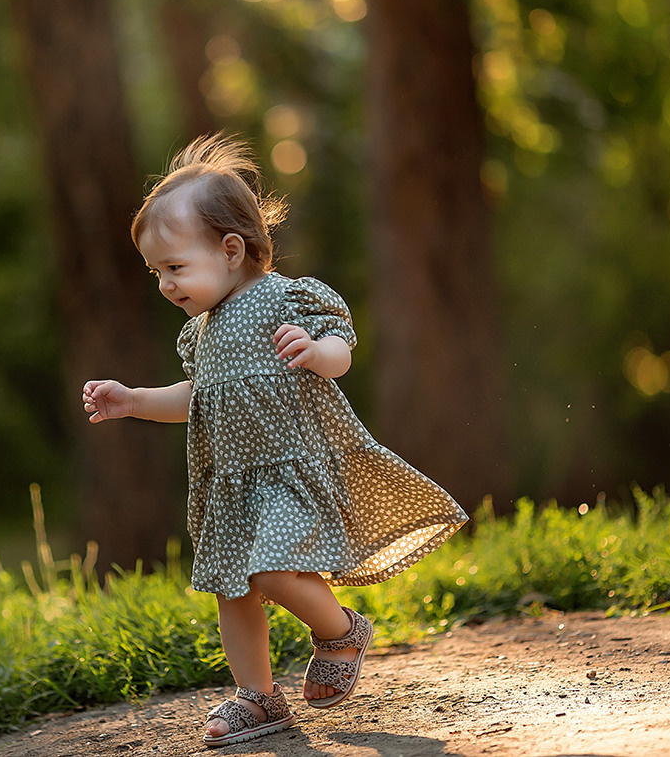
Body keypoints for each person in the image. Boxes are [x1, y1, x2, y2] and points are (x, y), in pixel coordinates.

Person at [82, 133, 468, 748]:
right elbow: (197, 399)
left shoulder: (282, 298)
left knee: (271, 571)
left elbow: (341, 351)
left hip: (290, 471)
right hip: (231, 485)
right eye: (157, 273)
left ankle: (340, 631)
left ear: (231, 250)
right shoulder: (199, 334)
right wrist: (133, 401)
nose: (164, 285)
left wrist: (317, 352)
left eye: (174, 268)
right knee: (233, 591)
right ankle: (257, 697)